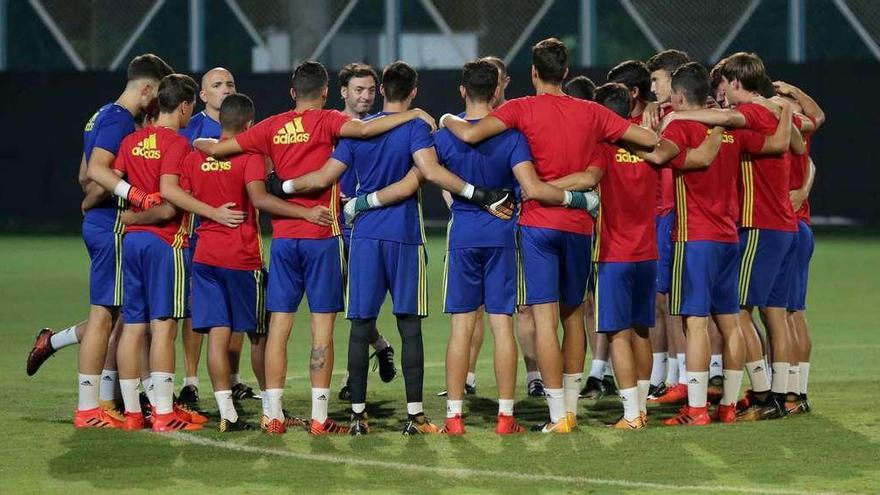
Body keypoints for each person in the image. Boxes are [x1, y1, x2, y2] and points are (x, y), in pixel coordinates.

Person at [195, 60, 439, 435]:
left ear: (292, 93)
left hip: (283, 241)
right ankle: (321, 418)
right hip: (322, 235)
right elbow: (366, 127)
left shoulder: (270, 127)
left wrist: (201, 141)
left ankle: (273, 414)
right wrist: (415, 114)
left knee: (279, 327)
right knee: (321, 329)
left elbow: (215, 148)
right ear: (326, 93)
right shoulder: (328, 122)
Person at [278, 60, 518, 435]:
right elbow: (424, 176)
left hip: (364, 239)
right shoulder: (416, 128)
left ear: (381, 91)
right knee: (410, 328)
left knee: (360, 327)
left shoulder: (357, 132)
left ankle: (358, 417)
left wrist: (286, 188)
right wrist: (480, 194)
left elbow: (325, 177)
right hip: (405, 237)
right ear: (414, 92)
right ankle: (416, 416)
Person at [442, 38, 659, 432]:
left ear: (533, 73)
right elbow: (649, 141)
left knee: (544, 320)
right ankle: (572, 408)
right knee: (574, 316)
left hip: (538, 224)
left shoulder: (521, 108)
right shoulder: (592, 111)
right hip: (579, 225)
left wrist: (444, 120)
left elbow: (472, 135)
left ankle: (559, 415)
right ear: (566, 70)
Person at [637, 62, 792, 425]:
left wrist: (632, 140)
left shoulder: (682, 125)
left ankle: (695, 409)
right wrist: (784, 111)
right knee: (730, 323)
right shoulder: (729, 129)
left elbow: (661, 156)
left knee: (695, 323)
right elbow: (779, 144)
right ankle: (726, 405)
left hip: (695, 238)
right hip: (727, 237)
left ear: (677, 96)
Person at [60, 54, 173, 428]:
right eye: (155, 94)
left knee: (114, 315)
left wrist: (92, 196)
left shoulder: (100, 114)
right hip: (111, 222)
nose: (156, 103)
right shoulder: (119, 120)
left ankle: (100, 402)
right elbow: (96, 170)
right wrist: (137, 195)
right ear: (145, 88)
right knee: (103, 316)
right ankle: (88, 408)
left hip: (101, 218)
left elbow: (84, 175)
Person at [108, 74, 206, 431]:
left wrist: (131, 211)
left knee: (133, 326)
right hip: (166, 244)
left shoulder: (132, 141)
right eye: (190, 108)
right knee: (163, 328)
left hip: (131, 241)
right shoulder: (179, 144)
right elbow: (168, 208)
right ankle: (163, 413)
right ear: (183, 106)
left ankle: (134, 413)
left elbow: (111, 178)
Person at [334, 63, 397, 402]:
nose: (365, 96)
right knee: (342, 304)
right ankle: (382, 346)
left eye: (371, 90)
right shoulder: (333, 125)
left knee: (358, 305)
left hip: (367, 226)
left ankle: (349, 378)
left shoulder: (381, 126)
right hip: (332, 227)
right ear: (343, 92)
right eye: (358, 90)